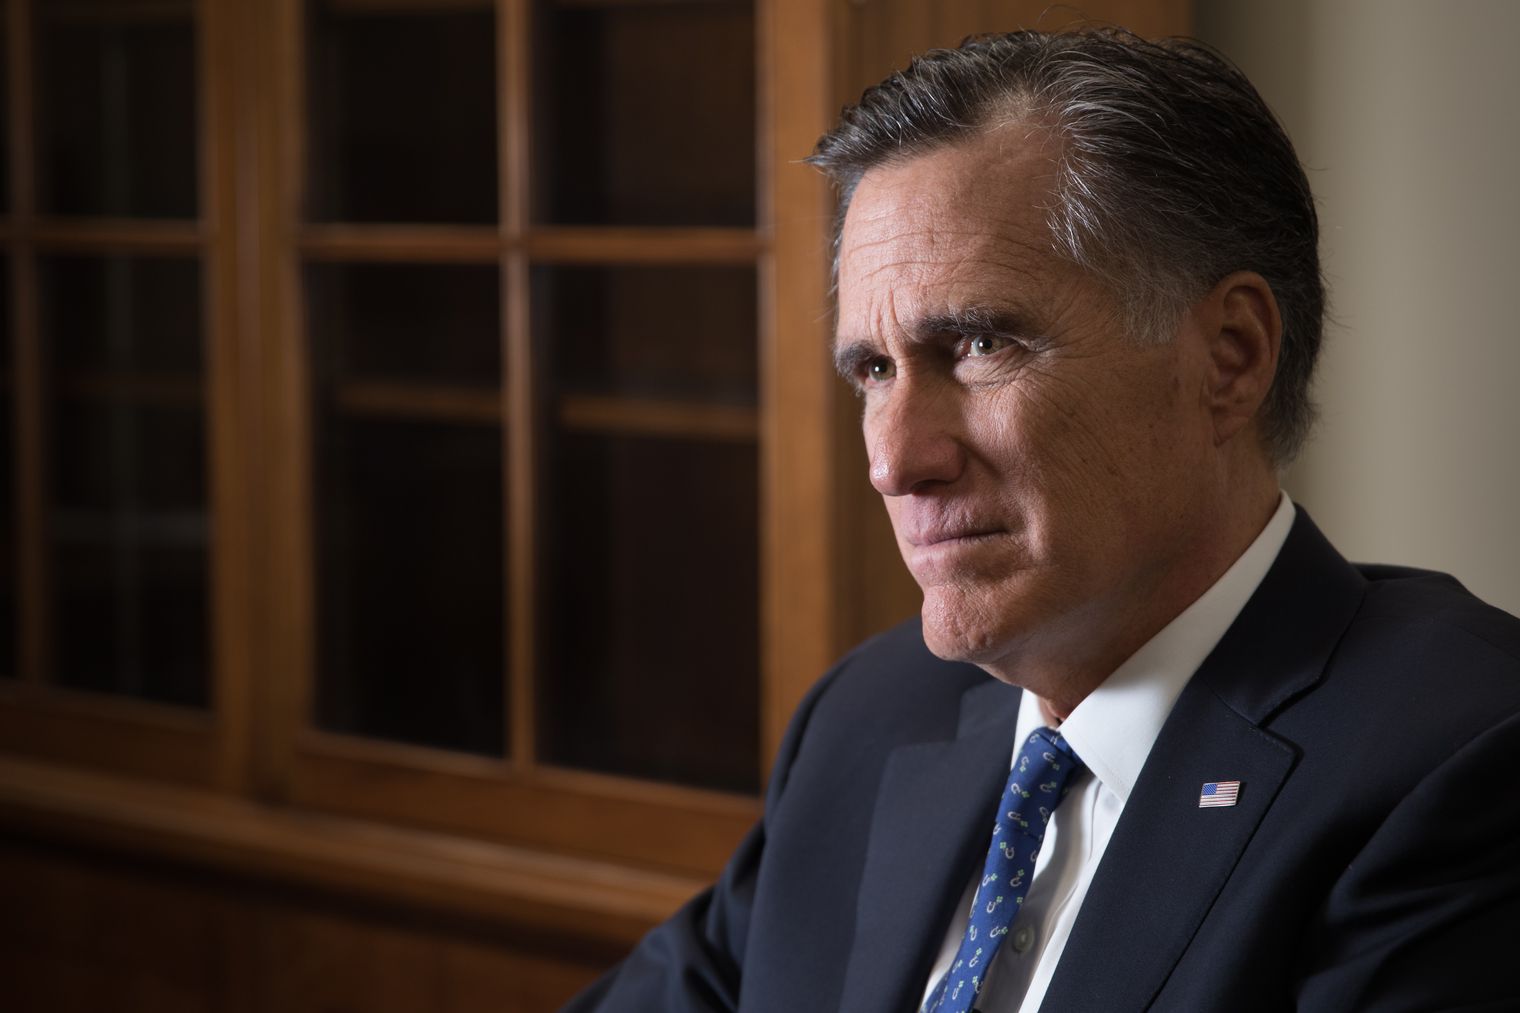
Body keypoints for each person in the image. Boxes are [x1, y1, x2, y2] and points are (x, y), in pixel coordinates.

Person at [564, 28, 1520, 1012]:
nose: (893, 460)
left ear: (1227, 357)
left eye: (976, 343)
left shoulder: (1461, 761)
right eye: (873, 369)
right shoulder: (868, 714)